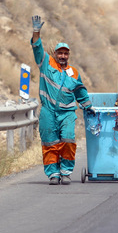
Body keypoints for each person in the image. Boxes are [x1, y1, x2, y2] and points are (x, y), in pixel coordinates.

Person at [30, 15, 94, 185]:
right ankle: (53, 174)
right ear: (55, 54)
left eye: (66, 53)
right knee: (50, 142)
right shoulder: (46, 63)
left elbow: (80, 91)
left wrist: (88, 107)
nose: (63, 56)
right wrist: (36, 32)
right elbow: (37, 47)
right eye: (60, 53)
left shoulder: (73, 72)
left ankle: (65, 172)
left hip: (67, 113)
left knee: (68, 140)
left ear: (68, 55)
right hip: (48, 111)